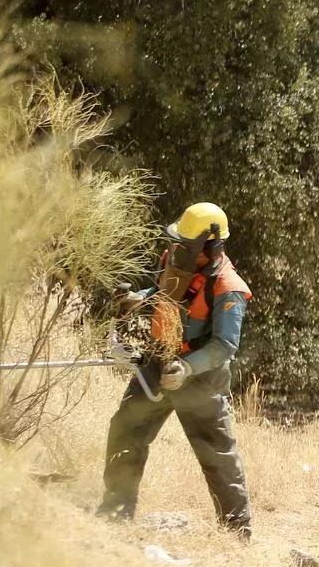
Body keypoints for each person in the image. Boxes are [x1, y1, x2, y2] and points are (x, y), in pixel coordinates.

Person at [96, 202, 254, 537]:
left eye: (185, 243)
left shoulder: (228, 287)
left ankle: (236, 531)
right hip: (157, 362)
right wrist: (138, 299)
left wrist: (186, 367)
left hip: (200, 380)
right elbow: (163, 292)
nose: (177, 248)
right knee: (126, 429)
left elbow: (225, 345)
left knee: (216, 454)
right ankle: (116, 510)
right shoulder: (176, 263)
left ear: (209, 246)